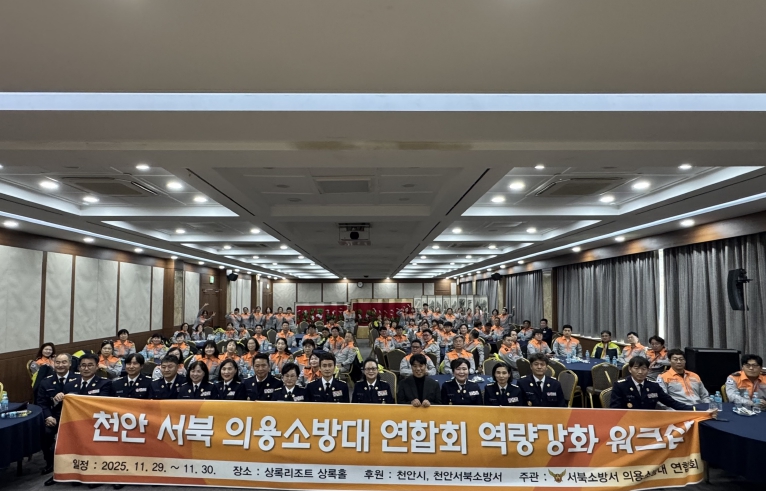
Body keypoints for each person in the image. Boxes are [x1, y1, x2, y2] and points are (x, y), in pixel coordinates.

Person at [40, 353, 110, 486]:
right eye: (83, 365)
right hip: (72, 422)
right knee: (59, 441)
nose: (86, 368)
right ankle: (62, 472)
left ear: (96, 367)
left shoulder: (105, 383)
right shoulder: (70, 386)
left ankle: (93, 474)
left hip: (95, 422)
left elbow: (103, 406)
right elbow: (62, 407)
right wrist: (57, 401)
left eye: (90, 365)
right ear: (79, 367)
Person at [38, 353, 76, 477]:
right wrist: (48, 416)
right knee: (45, 433)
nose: (60, 365)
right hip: (55, 416)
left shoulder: (79, 379)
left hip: (75, 418)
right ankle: (50, 463)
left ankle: (75, 463)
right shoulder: (46, 382)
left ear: (70, 364)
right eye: (57, 362)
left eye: (64, 362)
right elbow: (42, 403)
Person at [611, 356, 697, 411]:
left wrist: (694, 409)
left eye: (644, 369)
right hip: (627, 424)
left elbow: (672, 403)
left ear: (648, 370)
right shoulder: (620, 386)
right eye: (636, 368)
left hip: (649, 423)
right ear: (630, 369)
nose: (640, 372)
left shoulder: (653, 386)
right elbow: (615, 410)